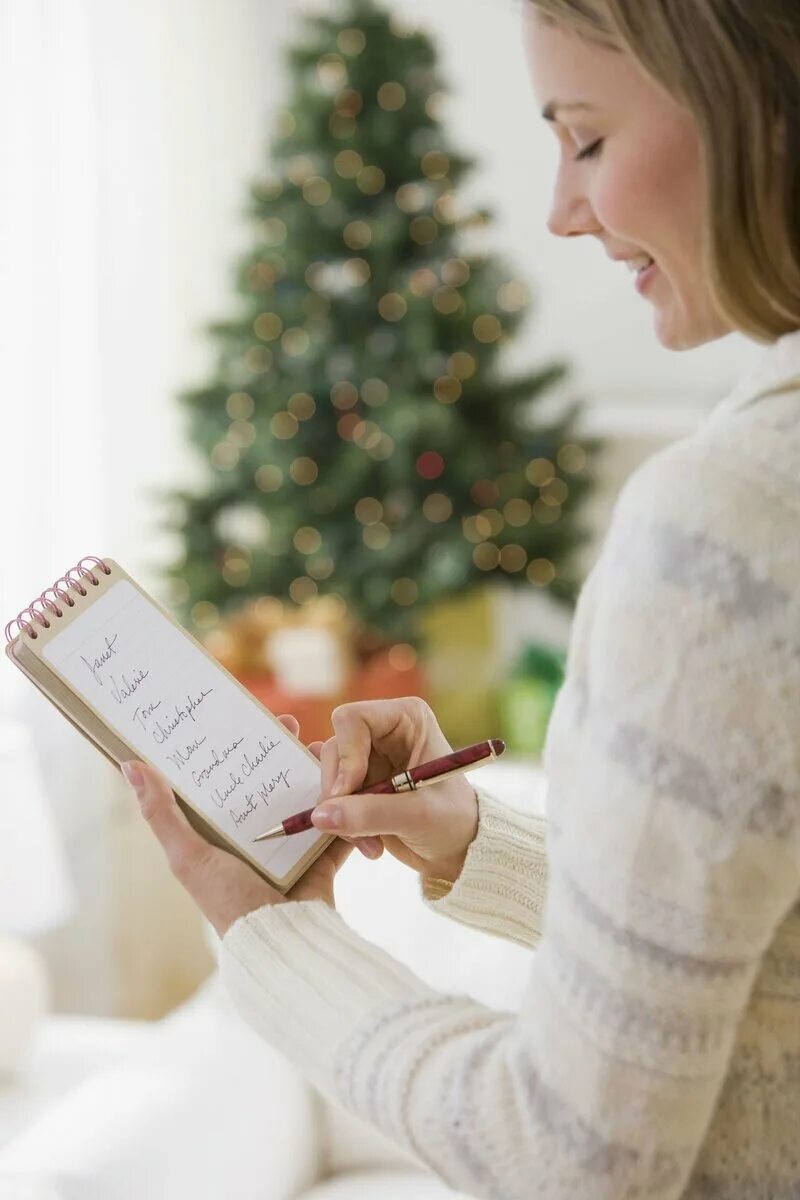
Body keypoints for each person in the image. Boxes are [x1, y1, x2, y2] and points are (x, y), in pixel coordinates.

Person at [121, 2, 800, 1196]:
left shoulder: (730, 517)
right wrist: (480, 844)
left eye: (585, 139)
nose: (560, 209)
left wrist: (271, 936)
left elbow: (572, 1160)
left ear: (758, 108)